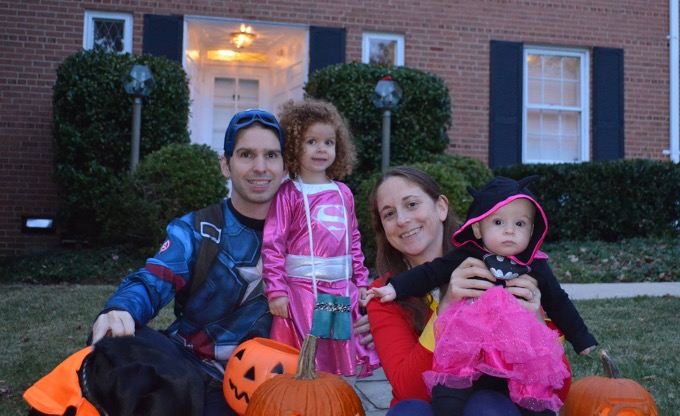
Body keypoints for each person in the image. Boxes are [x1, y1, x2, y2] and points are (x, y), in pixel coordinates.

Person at [86, 109, 372, 415]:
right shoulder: (199, 229)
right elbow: (155, 278)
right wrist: (122, 307)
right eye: (247, 154)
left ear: (285, 165)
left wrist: (367, 313)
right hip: (191, 369)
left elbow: (348, 269)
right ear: (226, 164)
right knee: (117, 347)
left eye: (271, 155)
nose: (260, 168)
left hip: (275, 386)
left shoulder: (314, 230)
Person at [368, 174, 596, 415]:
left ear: (441, 207)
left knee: (487, 406)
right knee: (408, 412)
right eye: (389, 214)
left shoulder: (506, 265)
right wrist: (446, 307)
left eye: (411, 204)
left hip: (495, 403)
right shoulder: (384, 295)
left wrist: (536, 321)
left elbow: (558, 390)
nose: (402, 220)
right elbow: (409, 390)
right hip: (434, 404)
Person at [261, 99, 379, 378]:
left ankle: (335, 397)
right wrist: (276, 289)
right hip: (302, 291)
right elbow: (273, 244)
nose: (321, 149)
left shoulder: (343, 193)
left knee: (338, 349)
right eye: (311, 141)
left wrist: (360, 281)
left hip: (340, 289)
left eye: (328, 142)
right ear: (293, 146)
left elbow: (353, 241)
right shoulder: (288, 193)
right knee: (307, 354)